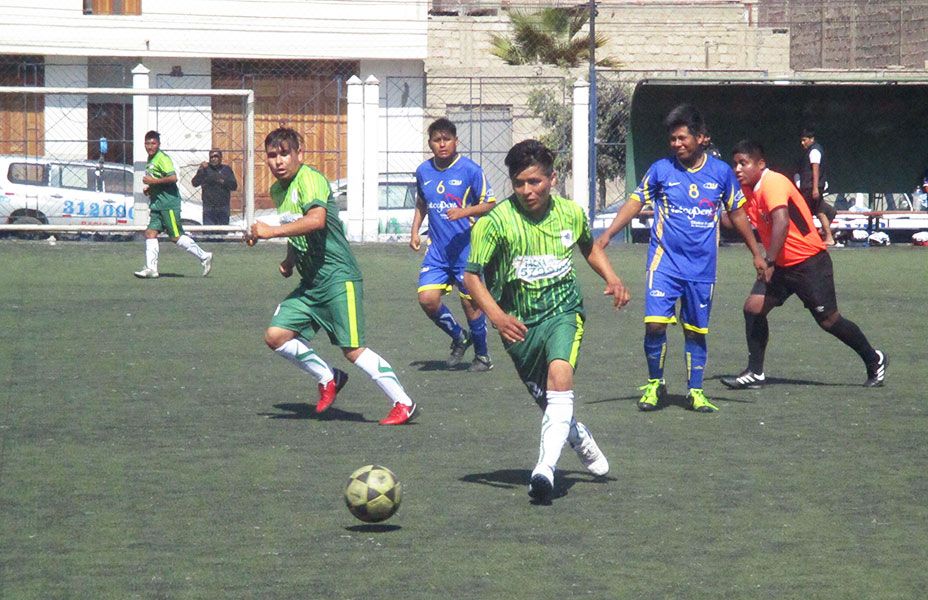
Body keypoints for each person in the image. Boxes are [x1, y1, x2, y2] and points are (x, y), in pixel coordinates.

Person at [463, 139, 631, 503]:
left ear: (552, 179)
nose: (527, 190)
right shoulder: (494, 224)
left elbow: (588, 246)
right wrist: (497, 315)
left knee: (560, 377)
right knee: (552, 403)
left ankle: (544, 472)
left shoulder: (571, 213)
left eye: (535, 182)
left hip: (564, 313)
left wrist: (612, 278)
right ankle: (579, 437)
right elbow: (471, 276)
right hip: (518, 326)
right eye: (519, 183)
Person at [595, 104, 764, 413]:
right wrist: (607, 235)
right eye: (673, 139)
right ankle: (655, 384)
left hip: (702, 268)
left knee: (695, 331)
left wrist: (756, 252)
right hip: (665, 263)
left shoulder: (721, 174)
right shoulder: (661, 170)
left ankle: (695, 391)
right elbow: (635, 202)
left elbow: (737, 213)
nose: (677, 144)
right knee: (655, 324)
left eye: (683, 138)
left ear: (702, 138)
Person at [248, 127, 416, 425]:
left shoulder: (310, 179)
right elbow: (296, 225)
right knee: (275, 336)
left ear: (300, 153)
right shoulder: (278, 190)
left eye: (285, 153)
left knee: (352, 349)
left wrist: (269, 231)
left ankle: (403, 402)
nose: (278, 161)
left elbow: (315, 220)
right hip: (311, 284)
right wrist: (289, 260)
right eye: (272, 156)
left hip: (339, 278)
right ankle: (329, 377)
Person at [721, 139, 887, 389]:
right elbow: (735, 221)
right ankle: (755, 373)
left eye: (743, 163)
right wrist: (717, 204)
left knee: (829, 321)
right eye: (735, 164)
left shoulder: (773, 182)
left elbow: (782, 222)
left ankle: (874, 358)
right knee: (753, 309)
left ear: (760, 164)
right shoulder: (747, 189)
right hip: (781, 264)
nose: (738, 169)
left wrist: (768, 261)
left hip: (809, 262)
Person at [410, 118, 497, 371]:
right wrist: (415, 231)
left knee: (470, 305)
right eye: (437, 140)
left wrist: (464, 212)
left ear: (456, 141)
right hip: (437, 251)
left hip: (466, 250)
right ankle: (460, 336)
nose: (442, 144)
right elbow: (422, 203)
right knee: (427, 299)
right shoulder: (423, 171)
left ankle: (482, 356)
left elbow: (490, 203)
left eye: (447, 139)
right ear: (430, 144)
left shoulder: (470, 169)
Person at [134, 130, 212, 279]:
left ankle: (204, 256)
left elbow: (173, 178)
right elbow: (158, 179)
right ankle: (151, 269)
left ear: (158, 144)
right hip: (157, 204)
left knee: (176, 237)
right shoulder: (150, 159)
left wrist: (153, 182)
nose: (150, 146)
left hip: (169, 204)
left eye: (153, 143)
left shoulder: (162, 158)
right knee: (150, 233)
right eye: (147, 143)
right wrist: (150, 189)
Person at [796, 127, 838, 246]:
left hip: (811, 188)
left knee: (815, 212)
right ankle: (824, 233)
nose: (802, 143)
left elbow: (816, 170)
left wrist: (815, 188)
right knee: (824, 211)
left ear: (811, 139)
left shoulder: (814, 151)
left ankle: (825, 237)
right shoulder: (810, 151)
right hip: (810, 187)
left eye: (804, 140)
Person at [192, 149, 238, 225]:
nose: (213, 159)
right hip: (208, 206)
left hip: (223, 206)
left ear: (221, 158)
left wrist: (222, 180)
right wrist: (200, 171)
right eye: (211, 157)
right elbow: (195, 183)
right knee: (209, 232)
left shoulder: (226, 169)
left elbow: (234, 186)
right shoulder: (205, 169)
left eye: (216, 156)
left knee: (222, 231)